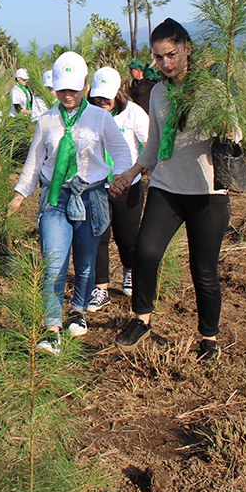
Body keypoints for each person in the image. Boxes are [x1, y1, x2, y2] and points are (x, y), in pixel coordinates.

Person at [110, 18, 239, 361]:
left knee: (204, 270)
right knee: (146, 252)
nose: (165, 63)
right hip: (167, 187)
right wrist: (131, 172)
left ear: (187, 49)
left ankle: (209, 338)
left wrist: (226, 124)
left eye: (171, 54)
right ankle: (142, 318)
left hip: (206, 192)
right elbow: (153, 145)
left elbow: (236, 135)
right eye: (158, 56)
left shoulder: (211, 90)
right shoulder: (158, 93)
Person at [8, 52, 133, 354]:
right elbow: (35, 162)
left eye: (74, 89)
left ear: (85, 85)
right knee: (53, 262)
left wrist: (121, 178)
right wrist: (19, 195)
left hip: (91, 197)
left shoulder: (100, 118)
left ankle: (77, 311)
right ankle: (52, 327)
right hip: (55, 198)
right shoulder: (46, 120)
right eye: (62, 89)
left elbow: (122, 153)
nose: (67, 95)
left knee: (86, 262)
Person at [87, 66, 149, 311]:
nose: (102, 102)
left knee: (127, 238)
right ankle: (100, 288)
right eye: (97, 97)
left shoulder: (134, 113)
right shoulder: (89, 115)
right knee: (99, 237)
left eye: (106, 97)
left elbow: (149, 147)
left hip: (127, 187)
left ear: (119, 92)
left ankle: (130, 272)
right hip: (97, 187)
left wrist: (135, 173)